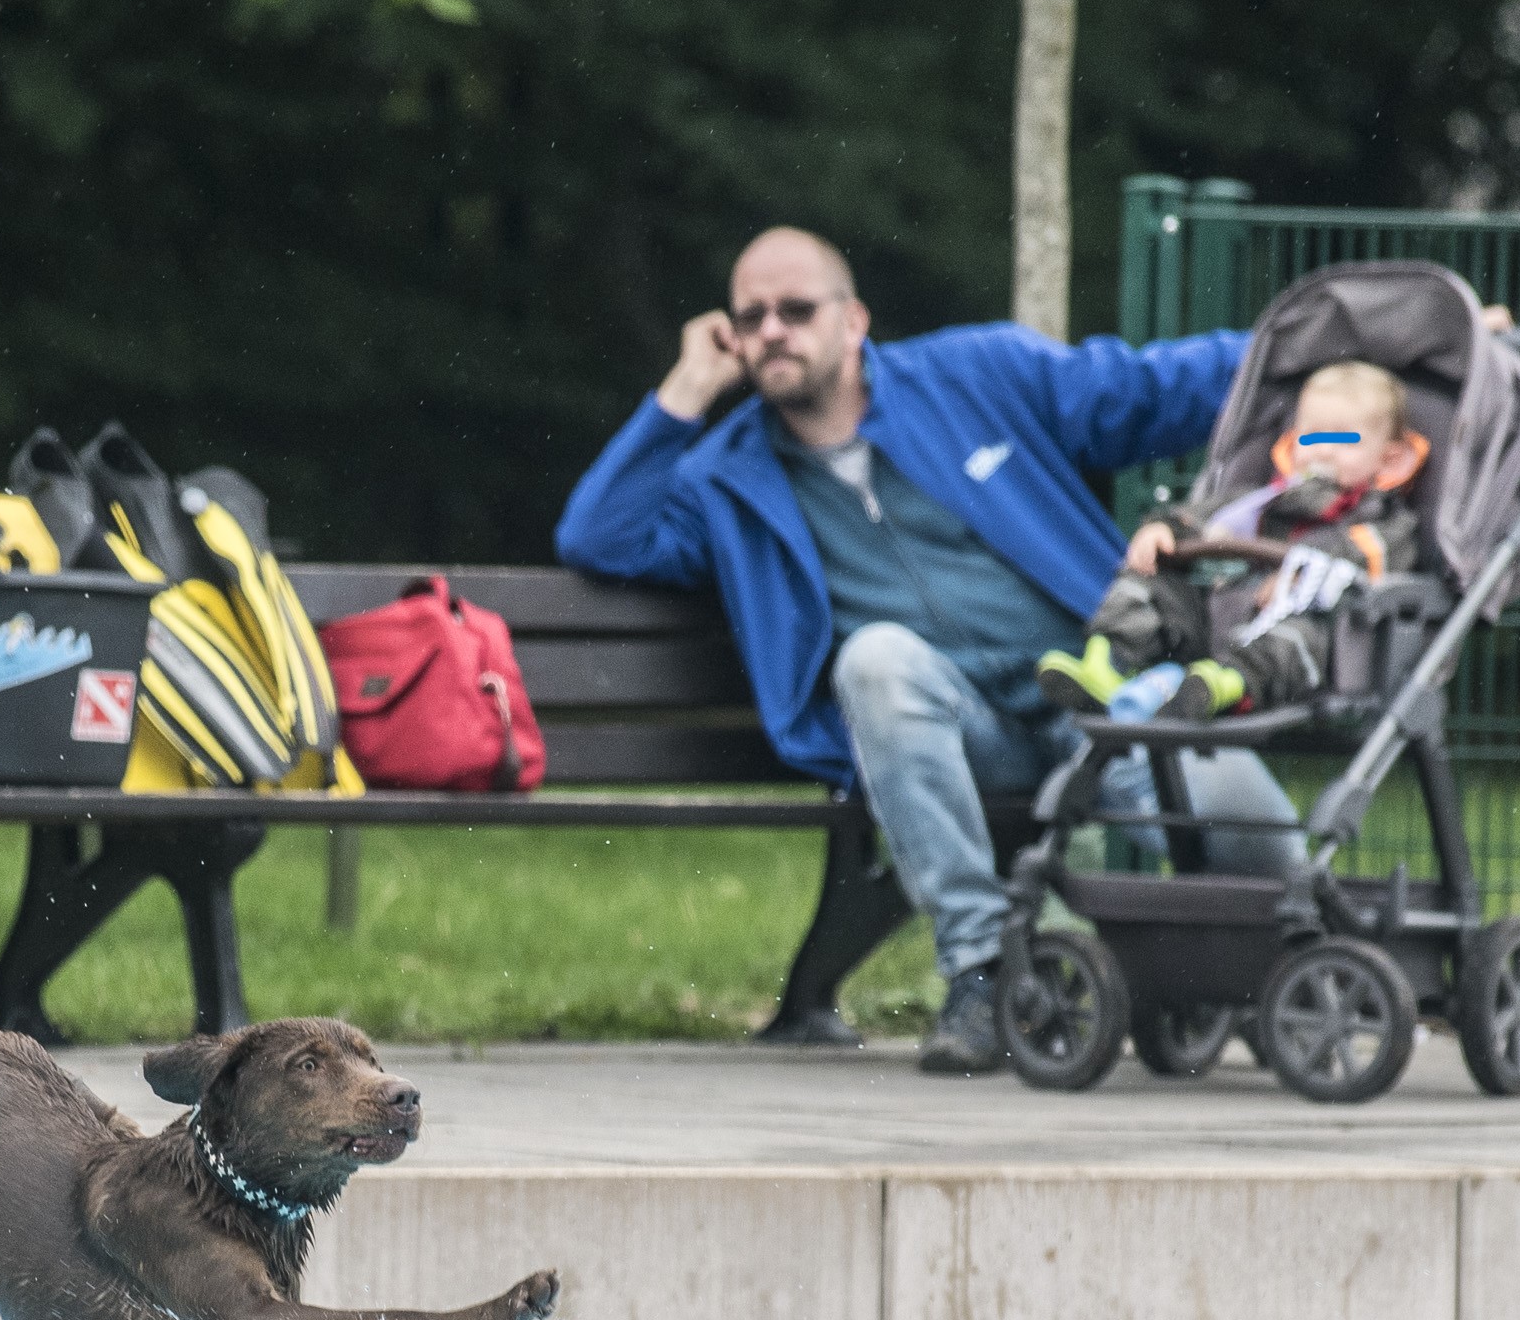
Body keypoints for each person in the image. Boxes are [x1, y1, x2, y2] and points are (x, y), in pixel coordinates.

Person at [554, 227, 1299, 1074]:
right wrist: (687, 387)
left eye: (795, 310)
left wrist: (1310, 347)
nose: (771, 332)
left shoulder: (975, 375)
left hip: (1097, 695)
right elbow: (598, 536)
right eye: (749, 317)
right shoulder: (727, 477)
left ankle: (1280, 979)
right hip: (951, 734)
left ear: (853, 320)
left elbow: (1147, 388)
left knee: (1263, 841)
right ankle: (981, 974)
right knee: (874, 657)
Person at [1038, 360, 1425, 721]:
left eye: (1346, 441)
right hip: (1213, 622)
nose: (1323, 449)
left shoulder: (1382, 520)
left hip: (1305, 644)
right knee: (1150, 577)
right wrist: (1165, 528)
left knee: (1300, 633)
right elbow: (1201, 517)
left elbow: (1368, 554)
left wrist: (1302, 572)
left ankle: (1225, 685)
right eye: (1312, 436)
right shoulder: (1259, 500)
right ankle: (1107, 664)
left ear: (1388, 459)